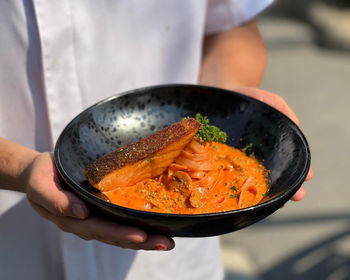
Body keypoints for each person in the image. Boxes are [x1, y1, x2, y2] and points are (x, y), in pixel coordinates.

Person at [0, 1, 312, 279]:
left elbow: (232, 28)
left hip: (176, 249)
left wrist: (224, 102)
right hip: (17, 233)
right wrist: (20, 167)